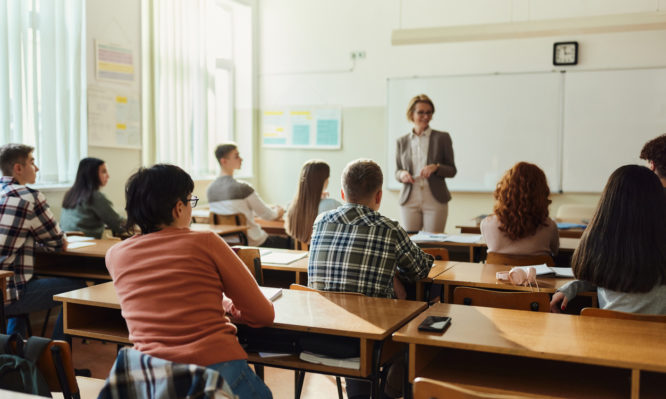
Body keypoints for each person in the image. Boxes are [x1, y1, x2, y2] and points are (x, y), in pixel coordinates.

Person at [105, 164, 274, 398]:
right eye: (190, 201)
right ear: (178, 207)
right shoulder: (206, 242)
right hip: (214, 369)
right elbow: (263, 314)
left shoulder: (115, 255)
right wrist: (230, 308)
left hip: (152, 378)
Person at [308, 159, 433, 399]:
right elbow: (420, 270)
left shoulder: (321, 221)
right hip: (368, 341)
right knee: (416, 319)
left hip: (318, 334)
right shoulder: (389, 228)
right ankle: (388, 391)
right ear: (379, 196)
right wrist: (394, 271)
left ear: (343, 193)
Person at [550, 165, 666, 314]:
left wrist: (570, 288)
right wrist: (572, 287)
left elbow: (595, 275)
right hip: (657, 335)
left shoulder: (598, 243)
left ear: (608, 202)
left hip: (607, 333)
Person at [0, 143, 85, 340]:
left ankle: (16, 352)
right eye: (32, 162)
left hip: (3, 282)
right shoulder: (29, 197)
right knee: (79, 286)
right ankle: (55, 360)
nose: (37, 168)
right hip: (7, 293)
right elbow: (56, 242)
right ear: (18, 168)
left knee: (24, 276)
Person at [207, 143, 288, 248]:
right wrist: (279, 211)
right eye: (236, 156)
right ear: (224, 161)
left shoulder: (210, 190)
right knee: (289, 241)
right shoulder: (242, 188)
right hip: (254, 243)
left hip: (228, 245)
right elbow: (268, 215)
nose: (241, 159)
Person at [395, 94, 456, 233]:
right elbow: (397, 171)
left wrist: (437, 167)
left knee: (433, 243)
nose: (426, 116)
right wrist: (402, 174)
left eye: (429, 112)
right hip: (409, 198)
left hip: (435, 198)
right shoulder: (402, 141)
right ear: (411, 114)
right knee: (410, 244)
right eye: (421, 112)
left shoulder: (442, 138)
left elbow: (452, 170)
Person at [481, 162, 559, 257]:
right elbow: (555, 252)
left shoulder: (487, 224)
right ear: (541, 193)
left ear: (505, 190)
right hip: (537, 272)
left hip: (498, 272)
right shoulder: (549, 226)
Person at [60, 157, 126, 238]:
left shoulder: (70, 194)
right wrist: (135, 221)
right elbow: (118, 224)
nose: (108, 176)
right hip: (86, 245)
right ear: (92, 174)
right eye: (104, 171)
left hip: (68, 243)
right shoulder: (94, 196)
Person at [285, 160, 340, 244]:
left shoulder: (291, 206)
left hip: (300, 255)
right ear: (324, 181)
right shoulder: (331, 205)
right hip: (321, 256)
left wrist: (317, 197)